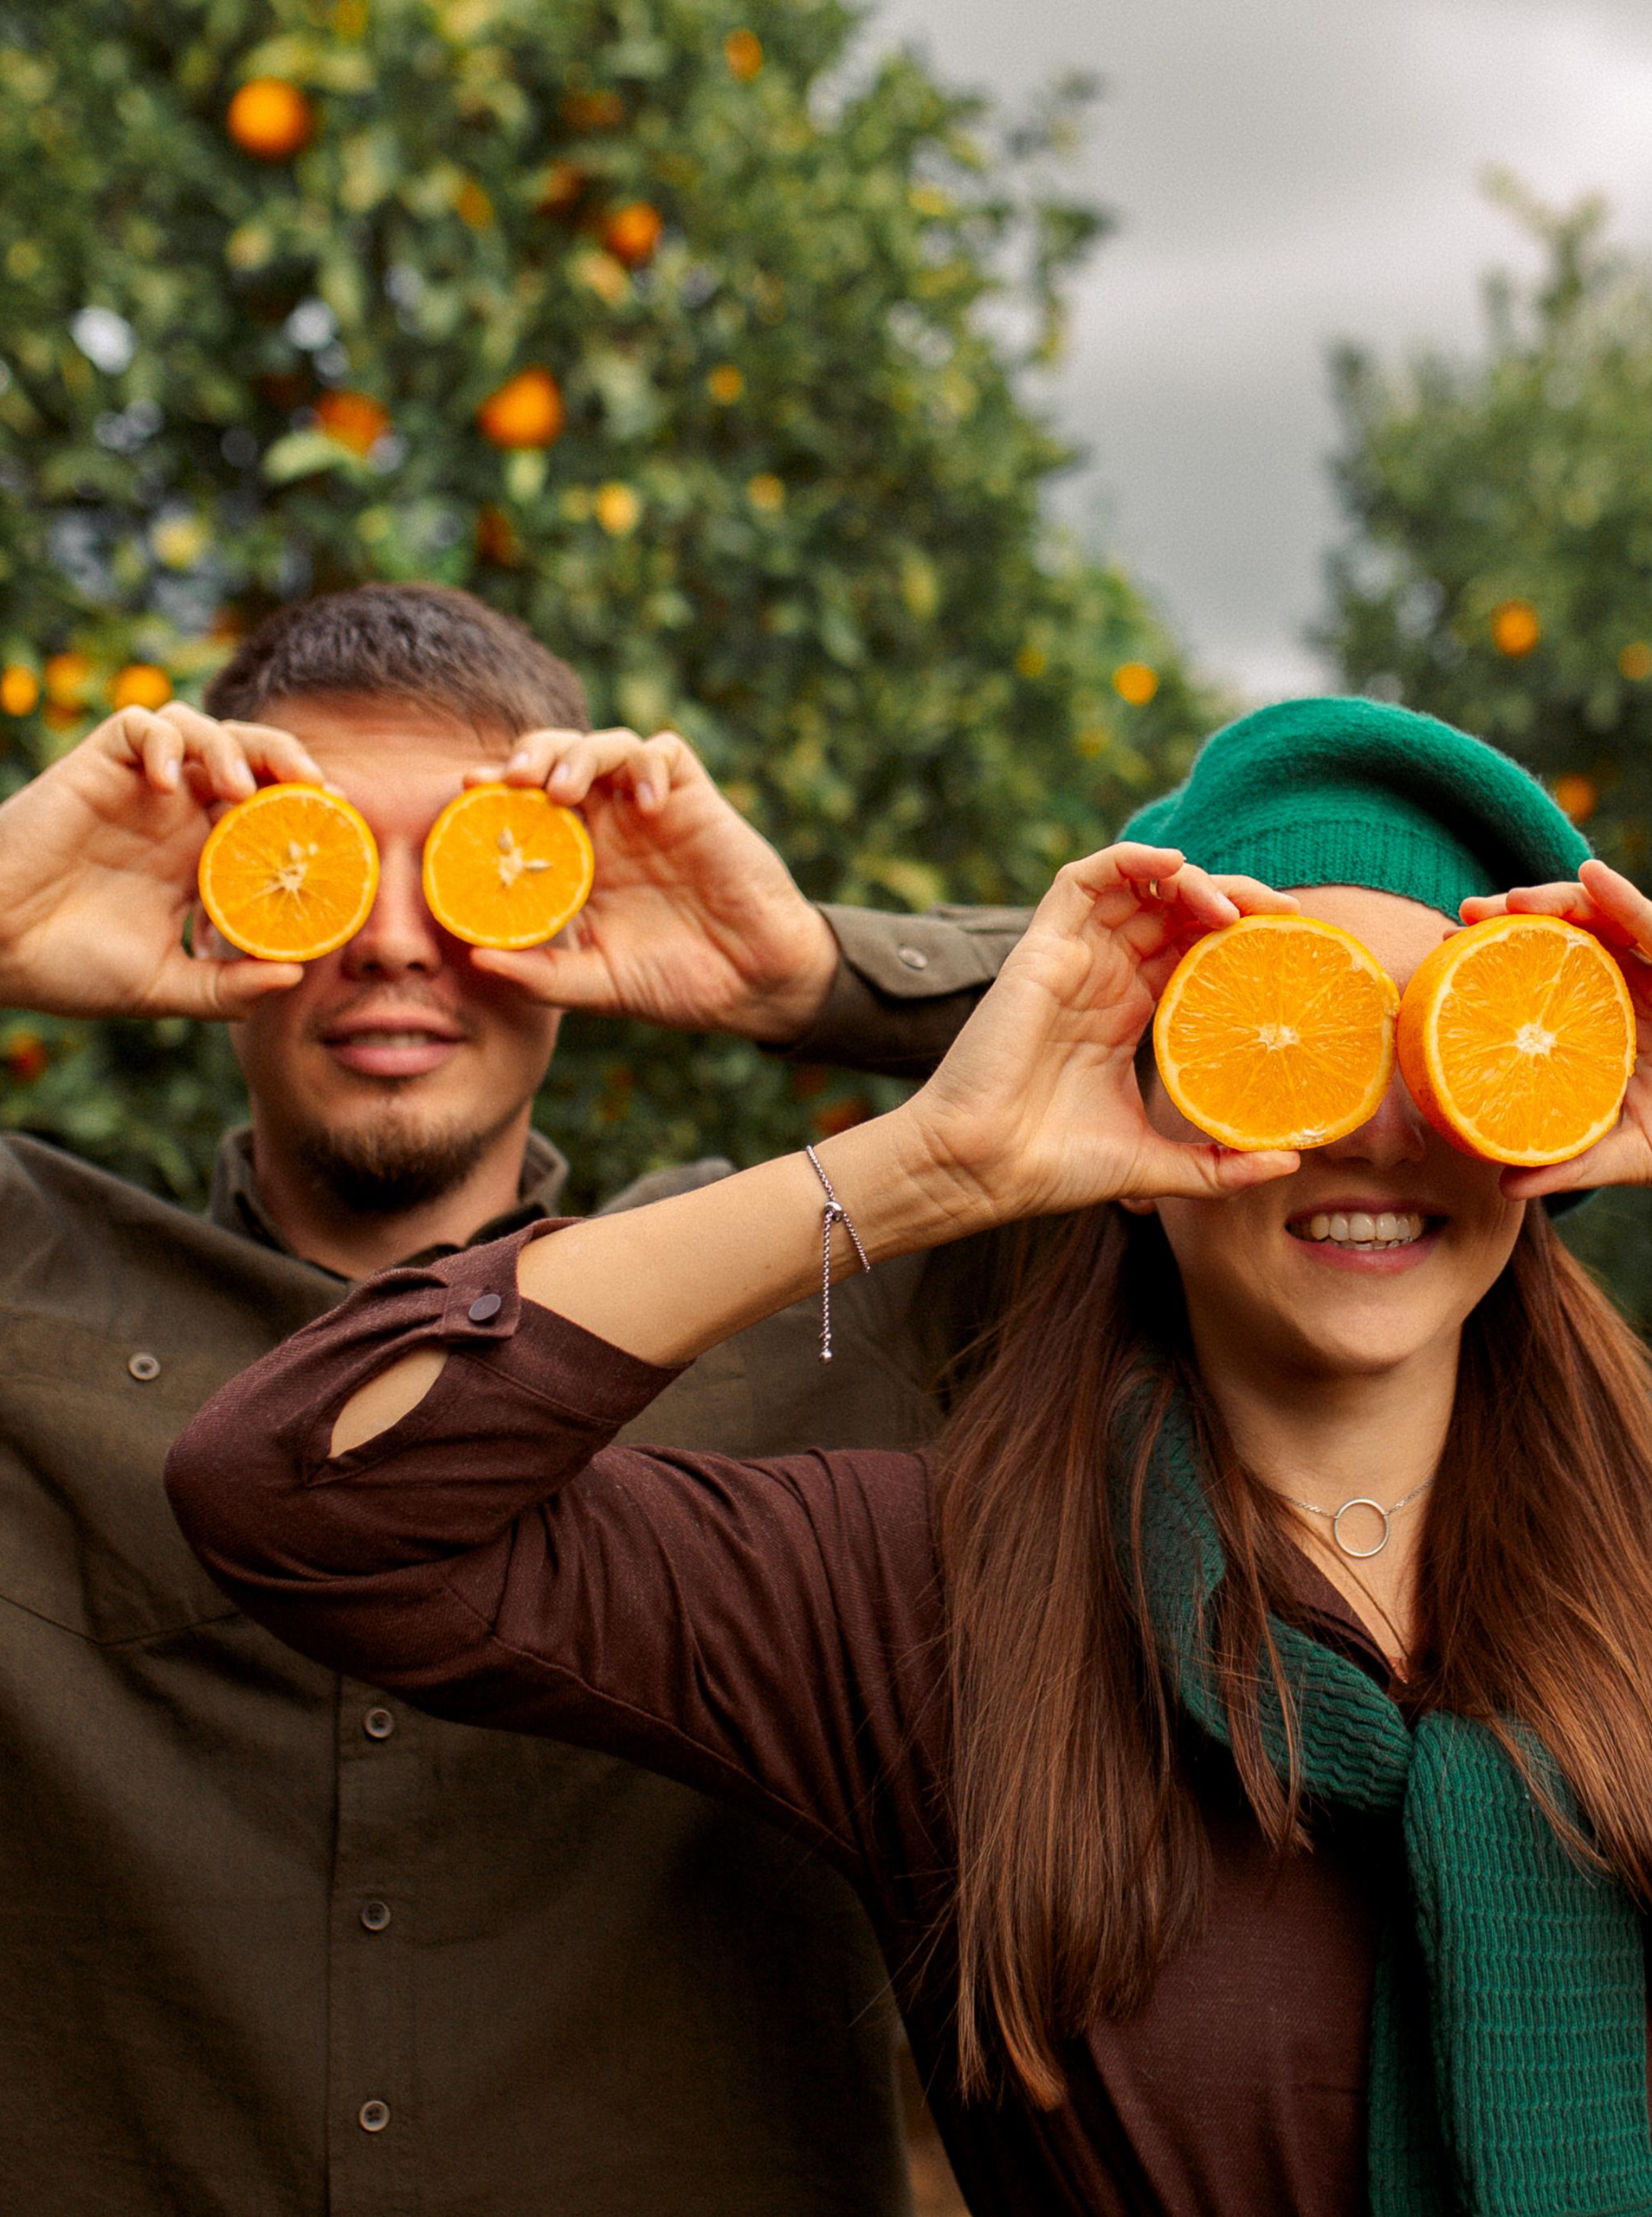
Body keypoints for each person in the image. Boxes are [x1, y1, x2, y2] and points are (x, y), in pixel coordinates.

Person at [166, 695, 1652, 2217]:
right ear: (1141, 1111)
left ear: (1549, 1106)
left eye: (1439, 1045)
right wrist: (928, 1158)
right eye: (1282, 1036)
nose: (1369, 1127)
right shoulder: (927, 1587)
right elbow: (306, 1495)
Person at [0, 582, 1026, 2215]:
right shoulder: (25, 1294)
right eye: (324, 861)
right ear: (215, 892)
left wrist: (803, 972)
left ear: (579, 894)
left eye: (477, 863)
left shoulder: (833, 1299)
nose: (397, 939)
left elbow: (1259, 1050)